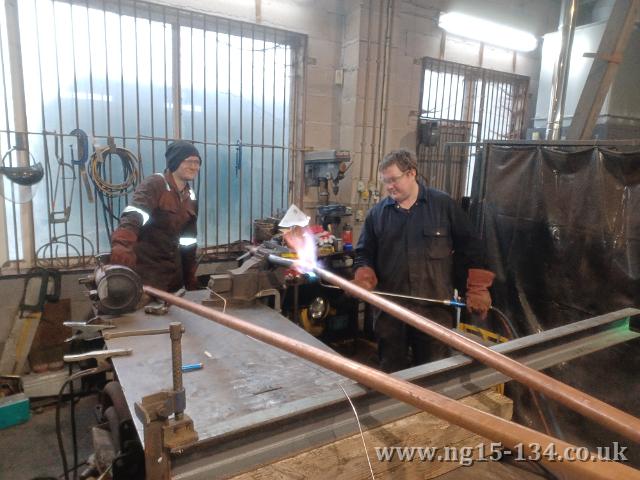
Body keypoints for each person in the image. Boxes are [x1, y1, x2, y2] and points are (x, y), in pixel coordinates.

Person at [354, 149, 494, 372]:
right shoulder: (377, 215)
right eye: (385, 182)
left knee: (432, 373)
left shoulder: (443, 206)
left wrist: (477, 287)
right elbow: (364, 252)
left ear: (411, 173)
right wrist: (364, 272)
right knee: (392, 372)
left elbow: (472, 247)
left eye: (393, 180)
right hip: (391, 311)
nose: (389, 187)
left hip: (434, 310)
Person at [110, 140, 201, 293]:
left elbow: (188, 240)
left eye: (197, 162)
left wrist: (189, 276)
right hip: (147, 277)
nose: (194, 167)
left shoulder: (190, 196)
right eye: (188, 161)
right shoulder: (155, 184)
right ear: (175, 161)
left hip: (173, 280)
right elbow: (134, 215)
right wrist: (122, 245)